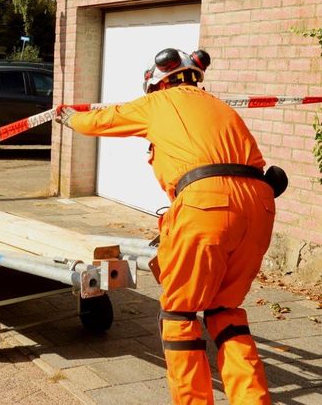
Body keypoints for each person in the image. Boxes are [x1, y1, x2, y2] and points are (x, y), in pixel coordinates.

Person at [56, 48, 285, 405]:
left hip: (207, 205)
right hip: (260, 206)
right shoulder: (222, 107)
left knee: (180, 313)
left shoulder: (160, 102)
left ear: (157, 82)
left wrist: (70, 118)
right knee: (226, 312)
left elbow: (103, 120)